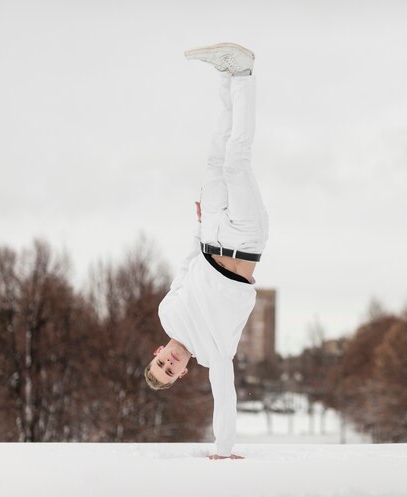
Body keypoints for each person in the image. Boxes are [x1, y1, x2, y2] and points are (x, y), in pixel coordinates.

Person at [143, 42, 269, 460]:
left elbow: (186, 267)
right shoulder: (215, 355)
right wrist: (224, 448)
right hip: (246, 240)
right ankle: (245, 75)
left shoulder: (166, 314)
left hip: (211, 232)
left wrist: (200, 226)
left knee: (217, 156)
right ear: (180, 374)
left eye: (161, 362)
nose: (170, 363)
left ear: (158, 353)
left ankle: (226, 74)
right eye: (171, 370)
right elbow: (226, 397)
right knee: (236, 161)